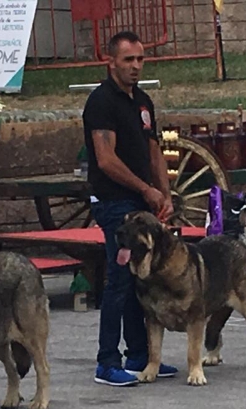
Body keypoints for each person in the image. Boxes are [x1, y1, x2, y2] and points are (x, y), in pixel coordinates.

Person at [83, 31, 178, 386]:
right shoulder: (101, 102)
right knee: (119, 277)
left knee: (144, 277)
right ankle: (107, 360)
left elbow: (153, 151)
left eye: (140, 59)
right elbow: (106, 160)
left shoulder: (142, 101)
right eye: (128, 60)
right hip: (114, 201)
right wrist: (146, 189)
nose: (136, 66)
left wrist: (164, 193)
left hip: (143, 199)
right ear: (111, 62)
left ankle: (141, 355)